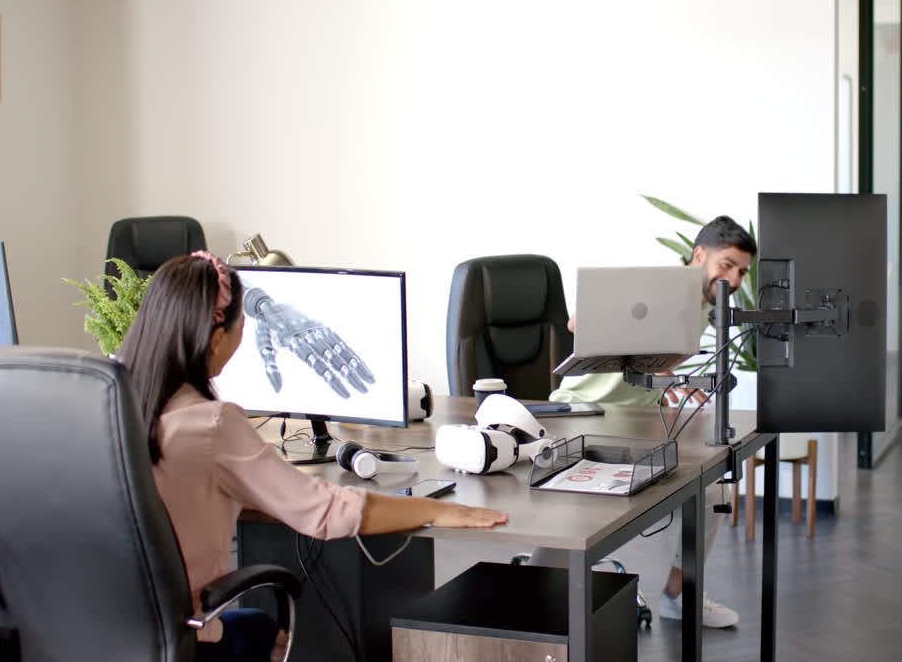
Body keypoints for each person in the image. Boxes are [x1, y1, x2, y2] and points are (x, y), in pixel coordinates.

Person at [118, 252, 508, 662]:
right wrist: (434, 509)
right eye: (240, 330)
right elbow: (322, 511)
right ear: (216, 339)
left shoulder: (105, 405)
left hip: (88, 634)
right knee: (265, 632)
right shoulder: (211, 425)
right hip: (183, 642)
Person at [549, 215, 756, 629]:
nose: (733, 279)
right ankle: (540, 594)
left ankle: (680, 594)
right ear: (700, 256)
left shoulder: (705, 309)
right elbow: (578, 324)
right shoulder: (655, 288)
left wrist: (671, 386)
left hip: (635, 416)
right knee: (570, 513)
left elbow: (656, 363)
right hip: (582, 409)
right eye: (727, 265)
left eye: (742, 272)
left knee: (713, 487)